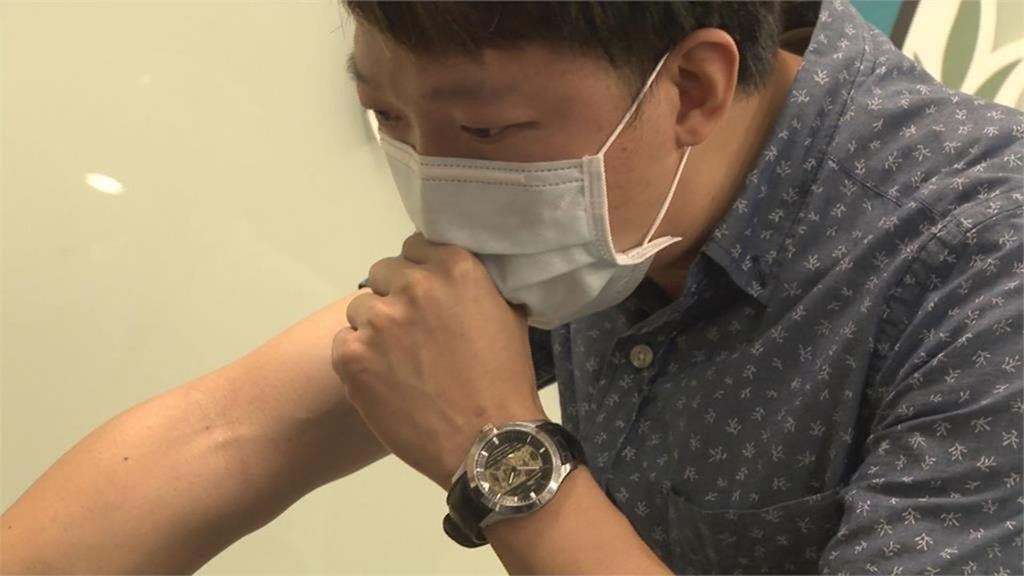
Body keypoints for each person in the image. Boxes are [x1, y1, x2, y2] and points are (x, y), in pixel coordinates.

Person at [3, 0, 1022, 573]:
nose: (439, 188)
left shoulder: (984, 262)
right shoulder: (629, 198)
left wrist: (500, 456)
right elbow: (227, 436)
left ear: (692, 89)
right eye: (387, 117)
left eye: (487, 129)